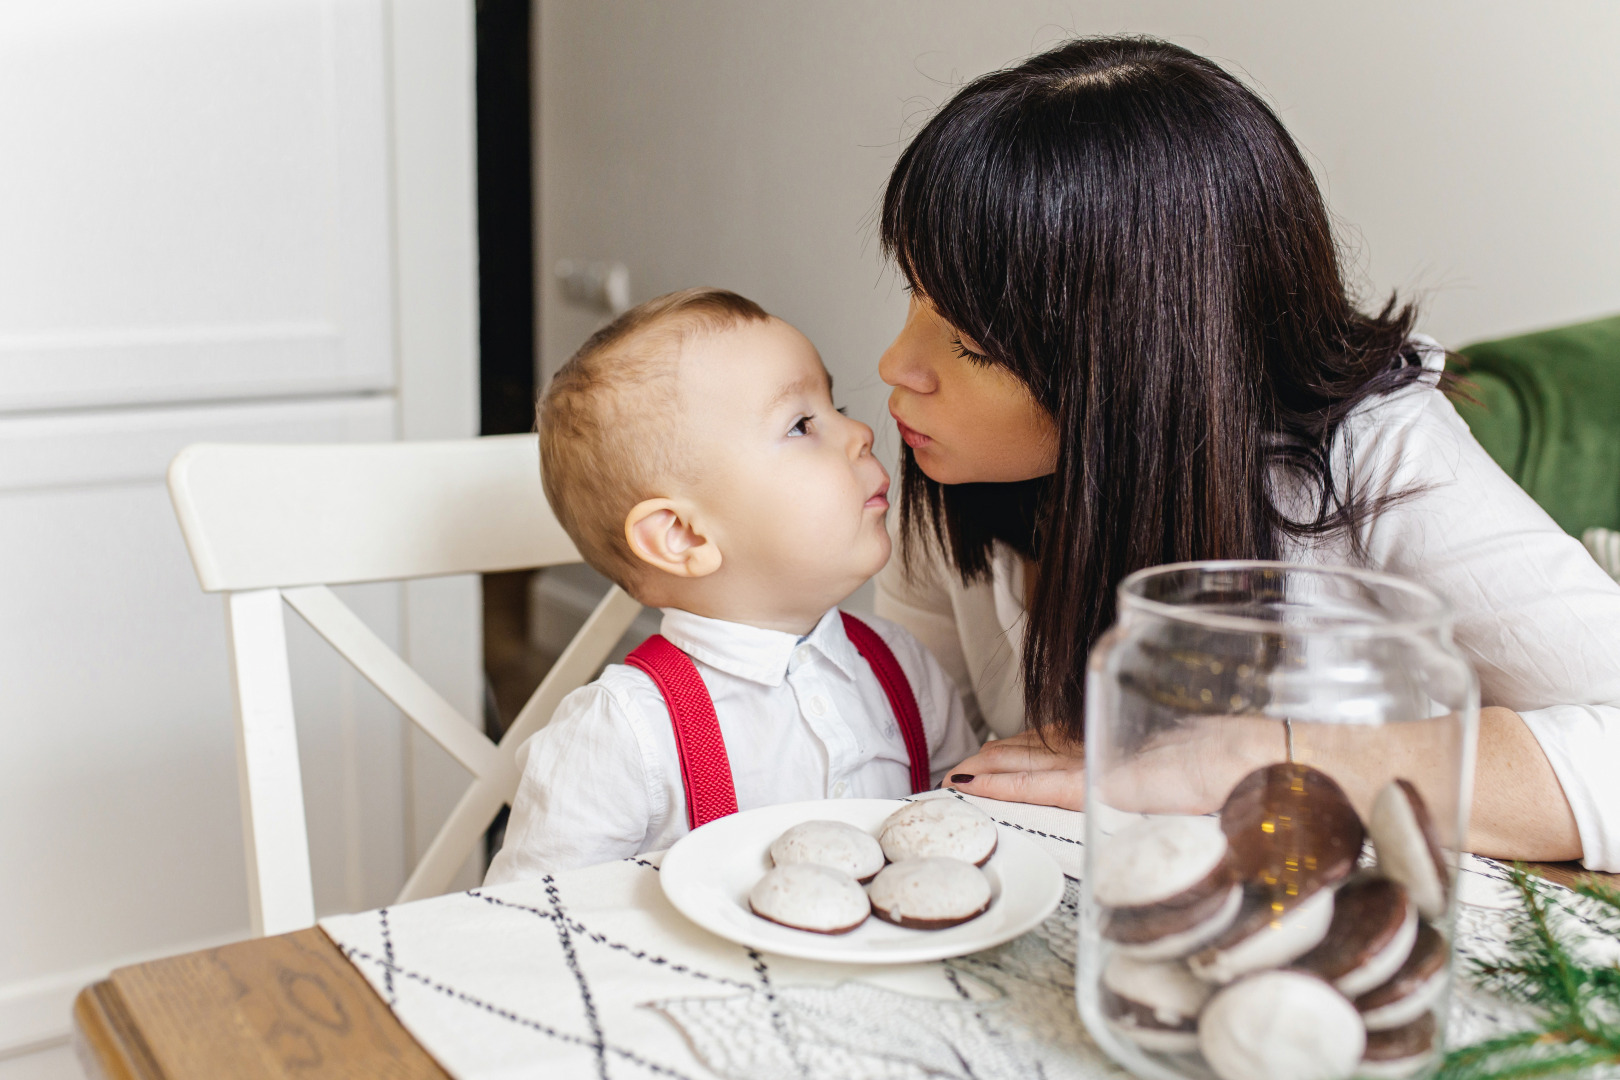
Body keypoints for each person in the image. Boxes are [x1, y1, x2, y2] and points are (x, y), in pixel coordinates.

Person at [871, 37, 1620, 870]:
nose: (897, 365)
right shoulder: (958, 472)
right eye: (915, 291)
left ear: (1143, 358)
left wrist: (1255, 754)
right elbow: (925, 756)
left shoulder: (1374, 459)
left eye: (972, 345)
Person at [485, 288, 978, 882]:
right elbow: (531, 929)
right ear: (683, 535)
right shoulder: (622, 735)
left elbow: (968, 836)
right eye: (801, 425)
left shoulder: (904, 669)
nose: (858, 433)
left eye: (835, 405)